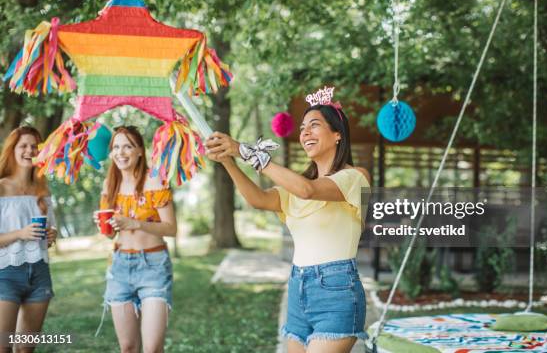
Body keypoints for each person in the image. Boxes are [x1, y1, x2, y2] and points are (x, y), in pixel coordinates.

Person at [205, 87, 371, 353]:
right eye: (303, 127)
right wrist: (228, 161)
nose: (305, 132)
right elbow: (257, 199)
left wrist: (247, 152)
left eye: (314, 125)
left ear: (338, 134)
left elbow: (310, 191)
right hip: (297, 288)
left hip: (336, 291)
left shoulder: (355, 178)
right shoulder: (295, 187)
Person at [94, 126, 176, 353]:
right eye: (116, 147)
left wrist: (136, 223)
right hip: (120, 267)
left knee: (151, 348)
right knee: (128, 347)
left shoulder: (154, 181)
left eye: (128, 146)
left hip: (153, 266)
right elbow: (110, 233)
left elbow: (171, 228)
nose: (121, 152)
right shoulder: (109, 185)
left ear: (140, 150)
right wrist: (104, 224)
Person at [0, 126, 58, 353]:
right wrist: (20, 234)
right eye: (23, 145)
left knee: (26, 348)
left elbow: (49, 232)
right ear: (12, 150)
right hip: (5, 274)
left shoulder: (43, 189)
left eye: (35, 146)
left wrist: (51, 236)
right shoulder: (1, 188)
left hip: (39, 273)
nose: (29, 150)